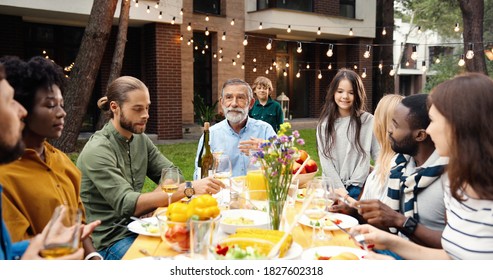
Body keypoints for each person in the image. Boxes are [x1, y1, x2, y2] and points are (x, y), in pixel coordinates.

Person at [77, 76, 224, 260]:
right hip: (111, 241)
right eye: (138, 109)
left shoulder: (139, 138)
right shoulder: (98, 150)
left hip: (142, 227)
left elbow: (173, 172)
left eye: (147, 107)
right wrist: (189, 188)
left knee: (205, 245)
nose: (145, 114)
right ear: (115, 107)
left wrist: (153, 199)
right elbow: (128, 204)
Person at [352, 73, 493, 259]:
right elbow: (452, 257)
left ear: (463, 127)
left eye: (434, 121)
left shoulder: (451, 180)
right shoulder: (459, 185)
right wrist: (389, 243)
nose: (429, 130)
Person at [0, 56, 101, 260]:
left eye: (61, 105)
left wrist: (94, 258)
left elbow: (78, 222)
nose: (62, 113)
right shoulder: (5, 175)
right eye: (50, 105)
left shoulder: (62, 161)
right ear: (25, 109)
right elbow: (16, 254)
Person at [353, 94, 447, 250]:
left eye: (396, 125)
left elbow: (456, 247)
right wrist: (354, 211)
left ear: (419, 135)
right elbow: (394, 234)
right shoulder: (400, 165)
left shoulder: (450, 176)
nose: (389, 130)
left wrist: (399, 220)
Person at [193, 78, 276, 179]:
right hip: (222, 193)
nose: (234, 104)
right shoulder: (211, 135)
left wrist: (268, 151)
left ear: (251, 103)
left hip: (257, 192)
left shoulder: (265, 130)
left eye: (240, 98)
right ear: (222, 102)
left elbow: (282, 169)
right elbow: (200, 176)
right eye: (229, 97)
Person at [316, 68, 380, 200]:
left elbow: (379, 154)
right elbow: (325, 162)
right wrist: (340, 190)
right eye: (340, 91)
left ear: (357, 94)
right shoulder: (324, 125)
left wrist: (378, 178)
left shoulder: (368, 121)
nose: (345, 96)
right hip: (332, 187)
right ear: (333, 92)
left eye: (351, 92)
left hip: (359, 187)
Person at [336, 94, 404, 203]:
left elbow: (376, 213)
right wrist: (368, 168)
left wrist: (345, 197)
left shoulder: (395, 169)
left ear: (380, 124)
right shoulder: (389, 160)